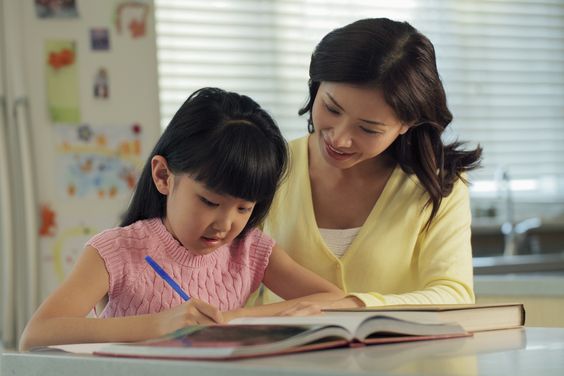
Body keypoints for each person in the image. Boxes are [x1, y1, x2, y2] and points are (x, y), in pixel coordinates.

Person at [20, 87, 343, 351]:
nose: (225, 224)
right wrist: (160, 324)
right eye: (209, 201)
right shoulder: (117, 250)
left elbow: (337, 299)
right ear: (163, 176)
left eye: (243, 208)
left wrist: (237, 317)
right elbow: (37, 334)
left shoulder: (249, 250)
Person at [256, 18, 482, 310]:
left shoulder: (439, 184)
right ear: (316, 85)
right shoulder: (268, 167)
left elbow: (455, 295)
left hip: (404, 357)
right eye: (331, 108)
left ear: (407, 123)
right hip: (282, 355)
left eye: (368, 129)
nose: (340, 139)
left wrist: (350, 306)